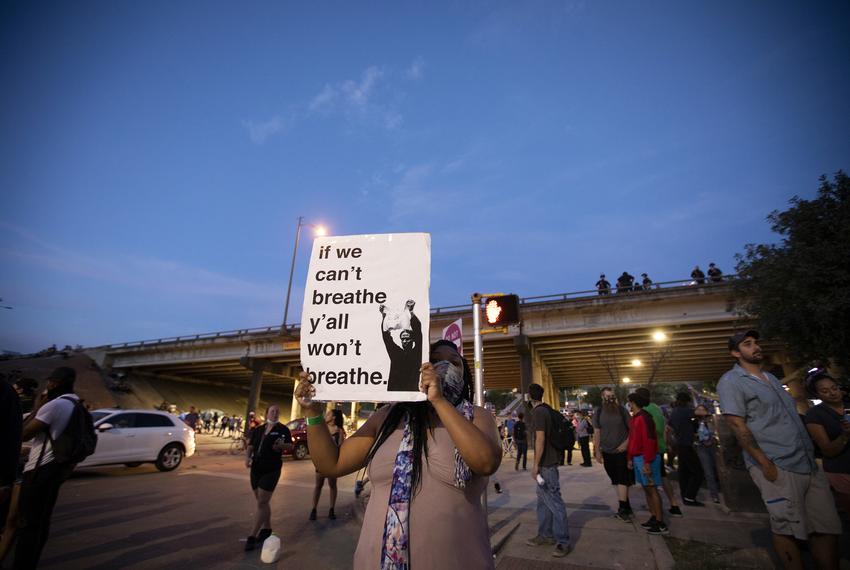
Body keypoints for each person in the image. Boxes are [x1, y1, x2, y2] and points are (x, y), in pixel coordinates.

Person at [294, 339, 501, 569]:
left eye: (454, 363)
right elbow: (330, 464)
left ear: (465, 375)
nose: (444, 367)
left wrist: (439, 400)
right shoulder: (387, 417)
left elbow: (485, 462)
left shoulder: (476, 417)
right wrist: (312, 412)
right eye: (434, 361)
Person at [717, 330, 841, 570]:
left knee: (825, 526)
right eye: (747, 344)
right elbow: (737, 424)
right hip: (777, 463)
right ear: (735, 352)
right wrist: (764, 463)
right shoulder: (731, 382)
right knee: (787, 528)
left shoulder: (772, 379)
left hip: (806, 462)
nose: (756, 347)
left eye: (756, 342)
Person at [14, 367, 81, 569]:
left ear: (54, 383)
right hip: (56, 469)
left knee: (27, 524)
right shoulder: (75, 403)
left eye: (50, 382)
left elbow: (24, 433)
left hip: (38, 470)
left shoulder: (55, 405)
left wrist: (38, 405)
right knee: (41, 521)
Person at [525, 383, 571, 557]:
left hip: (546, 464)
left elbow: (540, 439)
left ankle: (563, 541)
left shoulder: (538, 412)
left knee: (553, 501)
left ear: (529, 397)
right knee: (543, 501)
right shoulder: (547, 409)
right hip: (550, 462)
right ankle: (545, 535)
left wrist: (535, 465)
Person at [244, 404, 292, 551]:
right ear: (266, 414)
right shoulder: (258, 429)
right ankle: (267, 529)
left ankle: (252, 536)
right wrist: (247, 458)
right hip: (256, 468)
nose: (275, 413)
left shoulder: (283, 430)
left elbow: (290, 446)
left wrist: (282, 446)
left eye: (277, 411)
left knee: (262, 502)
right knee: (261, 502)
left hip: (272, 468)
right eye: (272, 411)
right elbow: (251, 445)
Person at [804, 369, 850, 516]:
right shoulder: (815, 415)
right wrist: (845, 435)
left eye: (834, 388)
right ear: (817, 395)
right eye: (825, 391)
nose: (832, 393)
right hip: (841, 471)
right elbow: (827, 450)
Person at [635, 388, 683, 517]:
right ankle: (673, 504)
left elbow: (649, 433)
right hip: (659, 447)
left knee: (651, 485)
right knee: (662, 476)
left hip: (652, 451)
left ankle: (657, 514)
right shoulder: (656, 408)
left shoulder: (645, 411)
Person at [626, 392, 668, 535]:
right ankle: (654, 516)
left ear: (633, 402)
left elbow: (650, 440)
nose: (629, 405)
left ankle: (660, 522)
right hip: (639, 457)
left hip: (646, 458)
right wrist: (630, 458)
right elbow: (633, 439)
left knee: (652, 488)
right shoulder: (636, 418)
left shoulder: (644, 418)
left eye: (629, 402)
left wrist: (647, 461)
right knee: (647, 488)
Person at [593, 387, 634, 521]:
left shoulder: (622, 411)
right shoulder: (598, 412)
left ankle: (623, 509)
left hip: (621, 451)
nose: (610, 398)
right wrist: (597, 450)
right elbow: (597, 432)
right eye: (607, 396)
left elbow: (632, 430)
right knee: (614, 479)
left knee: (622, 478)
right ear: (602, 397)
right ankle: (626, 506)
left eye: (612, 395)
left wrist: (625, 444)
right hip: (607, 451)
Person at [668, 392, 704, 506]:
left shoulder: (674, 412)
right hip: (686, 445)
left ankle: (686, 497)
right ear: (687, 401)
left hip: (679, 444)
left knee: (684, 472)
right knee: (698, 472)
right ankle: (690, 496)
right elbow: (701, 412)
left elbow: (669, 427)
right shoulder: (685, 410)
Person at [310, 409, 346, 520]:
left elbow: (341, 447)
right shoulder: (322, 428)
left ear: (334, 417)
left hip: (332, 463)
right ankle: (313, 509)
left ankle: (331, 509)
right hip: (320, 462)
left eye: (329, 413)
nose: (326, 415)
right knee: (318, 486)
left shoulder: (339, 431)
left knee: (332, 485)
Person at [380, 300, 423, 392]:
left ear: (412, 340)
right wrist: (384, 317)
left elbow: (418, 333)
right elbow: (386, 338)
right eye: (402, 339)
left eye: (407, 338)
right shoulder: (396, 353)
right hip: (394, 395)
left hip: (412, 395)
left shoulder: (417, 353)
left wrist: (410, 313)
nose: (404, 341)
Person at [694, 405, 721, 503]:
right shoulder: (693, 422)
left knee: (718, 470)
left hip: (713, 447)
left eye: (702, 409)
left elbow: (717, 432)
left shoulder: (712, 420)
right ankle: (714, 495)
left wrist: (712, 439)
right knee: (708, 471)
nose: (700, 412)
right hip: (701, 447)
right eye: (698, 410)